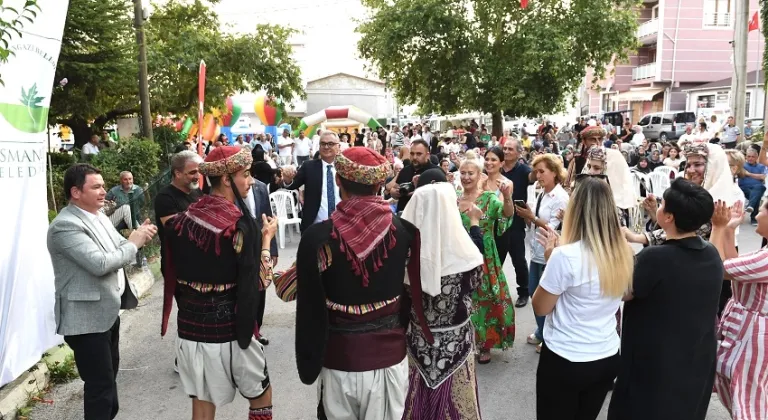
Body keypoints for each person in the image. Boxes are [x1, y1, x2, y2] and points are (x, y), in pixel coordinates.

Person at [294, 147, 420, 419]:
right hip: (389, 358)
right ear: (378, 184)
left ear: (338, 180)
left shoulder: (320, 238)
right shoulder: (404, 231)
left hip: (339, 360)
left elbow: (286, 289)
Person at [161, 146, 278, 420]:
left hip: (190, 328)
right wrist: (266, 240)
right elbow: (260, 280)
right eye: (246, 175)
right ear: (227, 179)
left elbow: (173, 274)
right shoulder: (240, 225)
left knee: (202, 402)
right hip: (232, 329)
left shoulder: (181, 221)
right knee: (261, 396)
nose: (250, 181)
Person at [47, 163, 157, 420]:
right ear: (75, 192)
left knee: (108, 386)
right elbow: (100, 263)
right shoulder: (65, 226)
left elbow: (119, 245)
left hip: (106, 313)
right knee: (100, 389)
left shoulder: (96, 216)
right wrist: (134, 243)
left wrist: (136, 237)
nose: (103, 191)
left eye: (103, 186)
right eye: (95, 186)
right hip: (85, 320)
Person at [608, 178, 722, 420]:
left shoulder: (655, 258)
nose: (658, 207)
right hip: (695, 358)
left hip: (654, 362)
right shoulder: (710, 253)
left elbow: (624, 291)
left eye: (661, 205)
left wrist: (624, 256)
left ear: (669, 217)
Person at [532, 176, 633, 420]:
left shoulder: (564, 256)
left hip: (566, 358)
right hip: (606, 354)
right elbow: (627, 294)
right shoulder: (623, 252)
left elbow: (541, 307)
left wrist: (549, 260)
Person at [400, 181, 485, 419]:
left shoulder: (403, 255)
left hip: (418, 343)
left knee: (413, 400)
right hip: (456, 343)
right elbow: (475, 287)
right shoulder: (466, 254)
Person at [709, 200, 768, 420]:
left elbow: (720, 270)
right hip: (747, 330)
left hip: (755, 335)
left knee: (748, 398)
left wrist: (718, 228)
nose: (757, 215)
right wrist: (729, 228)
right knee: (733, 384)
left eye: (761, 210)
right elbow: (735, 264)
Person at [458, 157, 515, 363]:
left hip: (485, 257)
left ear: (480, 175)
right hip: (460, 257)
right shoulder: (454, 198)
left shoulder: (490, 199)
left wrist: (507, 197)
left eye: (470, 173)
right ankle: (465, 341)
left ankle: (485, 344)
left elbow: (505, 217)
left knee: (485, 300)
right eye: (462, 173)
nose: (466, 177)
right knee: (464, 299)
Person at [515, 153, 569, 353]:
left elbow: (553, 228)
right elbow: (536, 223)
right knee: (533, 291)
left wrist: (532, 217)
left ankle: (549, 336)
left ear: (554, 173)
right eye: (536, 172)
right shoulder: (541, 193)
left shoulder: (561, 197)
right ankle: (541, 330)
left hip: (551, 252)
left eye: (542, 171)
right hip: (537, 250)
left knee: (548, 296)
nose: (538, 176)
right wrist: (528, 217)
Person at [280, 131, 341, 233]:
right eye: (323, 144)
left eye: (330, 144)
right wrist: (287, 179)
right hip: (316, 224)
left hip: (342, 224)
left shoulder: (345, 167)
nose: (326, 147)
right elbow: (293, 184)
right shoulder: (308, 167)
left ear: (338, 146)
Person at [243, 173, 279, 346]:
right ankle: (247, 331)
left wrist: (272, 248)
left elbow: (268, 218)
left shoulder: (260, 186)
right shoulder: (229, 188)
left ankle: (257, 331)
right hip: (241, 249)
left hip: (261, 246)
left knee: (261, 290)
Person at [498, 138, 534, 307]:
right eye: (504, 148)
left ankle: (523, 292)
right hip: (497, 221)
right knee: (495, 260)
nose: (506, 151)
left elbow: (534, 178)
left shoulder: (524, 170)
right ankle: (494, 292)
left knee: (518, 260)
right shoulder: (496, 169)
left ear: (519, 152)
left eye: (510, 149)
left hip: (516, 222)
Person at [389, 139, 437, 212]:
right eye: (412, 154)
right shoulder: (404, 170)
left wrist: (418, 193)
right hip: (404, 216)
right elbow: (396, 187)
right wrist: (393, 192)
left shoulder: (436, 172)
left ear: (427, 155)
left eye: (418, 154)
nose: (414, 157)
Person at [738, 148, 766, 224]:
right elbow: (742, 173)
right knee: (756, 196)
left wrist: (749, 174)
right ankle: (753, 218)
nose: (750, 158)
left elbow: (764, 177)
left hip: (758, 188)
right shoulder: (742, 165)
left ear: (757, 158)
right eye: (749, 156)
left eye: (753, 157)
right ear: (746, 157)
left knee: (758, 188)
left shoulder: (761, 166)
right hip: (744, 188)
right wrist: (758, 176)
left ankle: (750, 206)